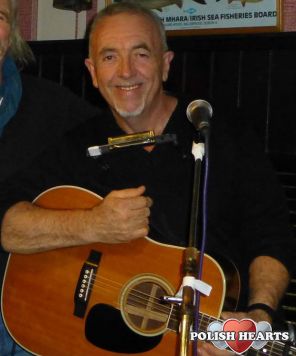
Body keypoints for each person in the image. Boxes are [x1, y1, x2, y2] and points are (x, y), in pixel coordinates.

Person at [0, 2, 294, 355]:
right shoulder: (79, 143)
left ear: (165, 64)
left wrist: (257, 318)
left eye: (140, 54)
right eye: (109, 57)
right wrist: (92, 224)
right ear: (92, 72)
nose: (125, 72)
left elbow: (272, 235)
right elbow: (8, 225)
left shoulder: (222, 133)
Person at [0, 0, 98, 354]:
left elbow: (124, 154)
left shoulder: (53, 107)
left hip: (35, 313)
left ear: (11, 34)